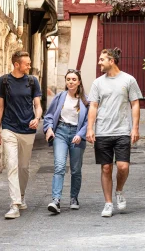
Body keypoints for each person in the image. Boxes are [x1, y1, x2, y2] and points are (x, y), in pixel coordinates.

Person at [86, 48, 142, 217]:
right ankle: (108, 203)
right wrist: (90, 128)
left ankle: (119, 190)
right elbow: (93, 106)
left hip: (122, 130)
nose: (99, 62)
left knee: (123, 166)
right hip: (103, 131)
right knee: (106, 168)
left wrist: (135, 127)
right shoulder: (97, 83)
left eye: (102, 59)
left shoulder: (128, 80)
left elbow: (135, 104)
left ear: (112, 61)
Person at [0, 50, 42, 219]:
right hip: (9, 128)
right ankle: (14, 204)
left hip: (27, 129)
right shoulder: (4, 81)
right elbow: (0, 107)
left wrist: (37, 118)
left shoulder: (32, 81)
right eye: (27, 63)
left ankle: (21, 196)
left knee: (23, 167)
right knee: (12, 164)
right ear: (17, 65)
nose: (29, 66)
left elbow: (37, 105)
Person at [43, 69, 89, 214]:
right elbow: (49, 115)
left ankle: (74, 198)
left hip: (76, 134)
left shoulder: (85, 101)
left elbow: (89, 121)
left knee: (76, 169)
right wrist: (49, 128)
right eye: (68, 79)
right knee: (59, 166)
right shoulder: (59, 97)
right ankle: (56, 200)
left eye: (74, 79)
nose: (71, 82)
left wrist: (81, 134)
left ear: (79, 82)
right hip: (61, 133)